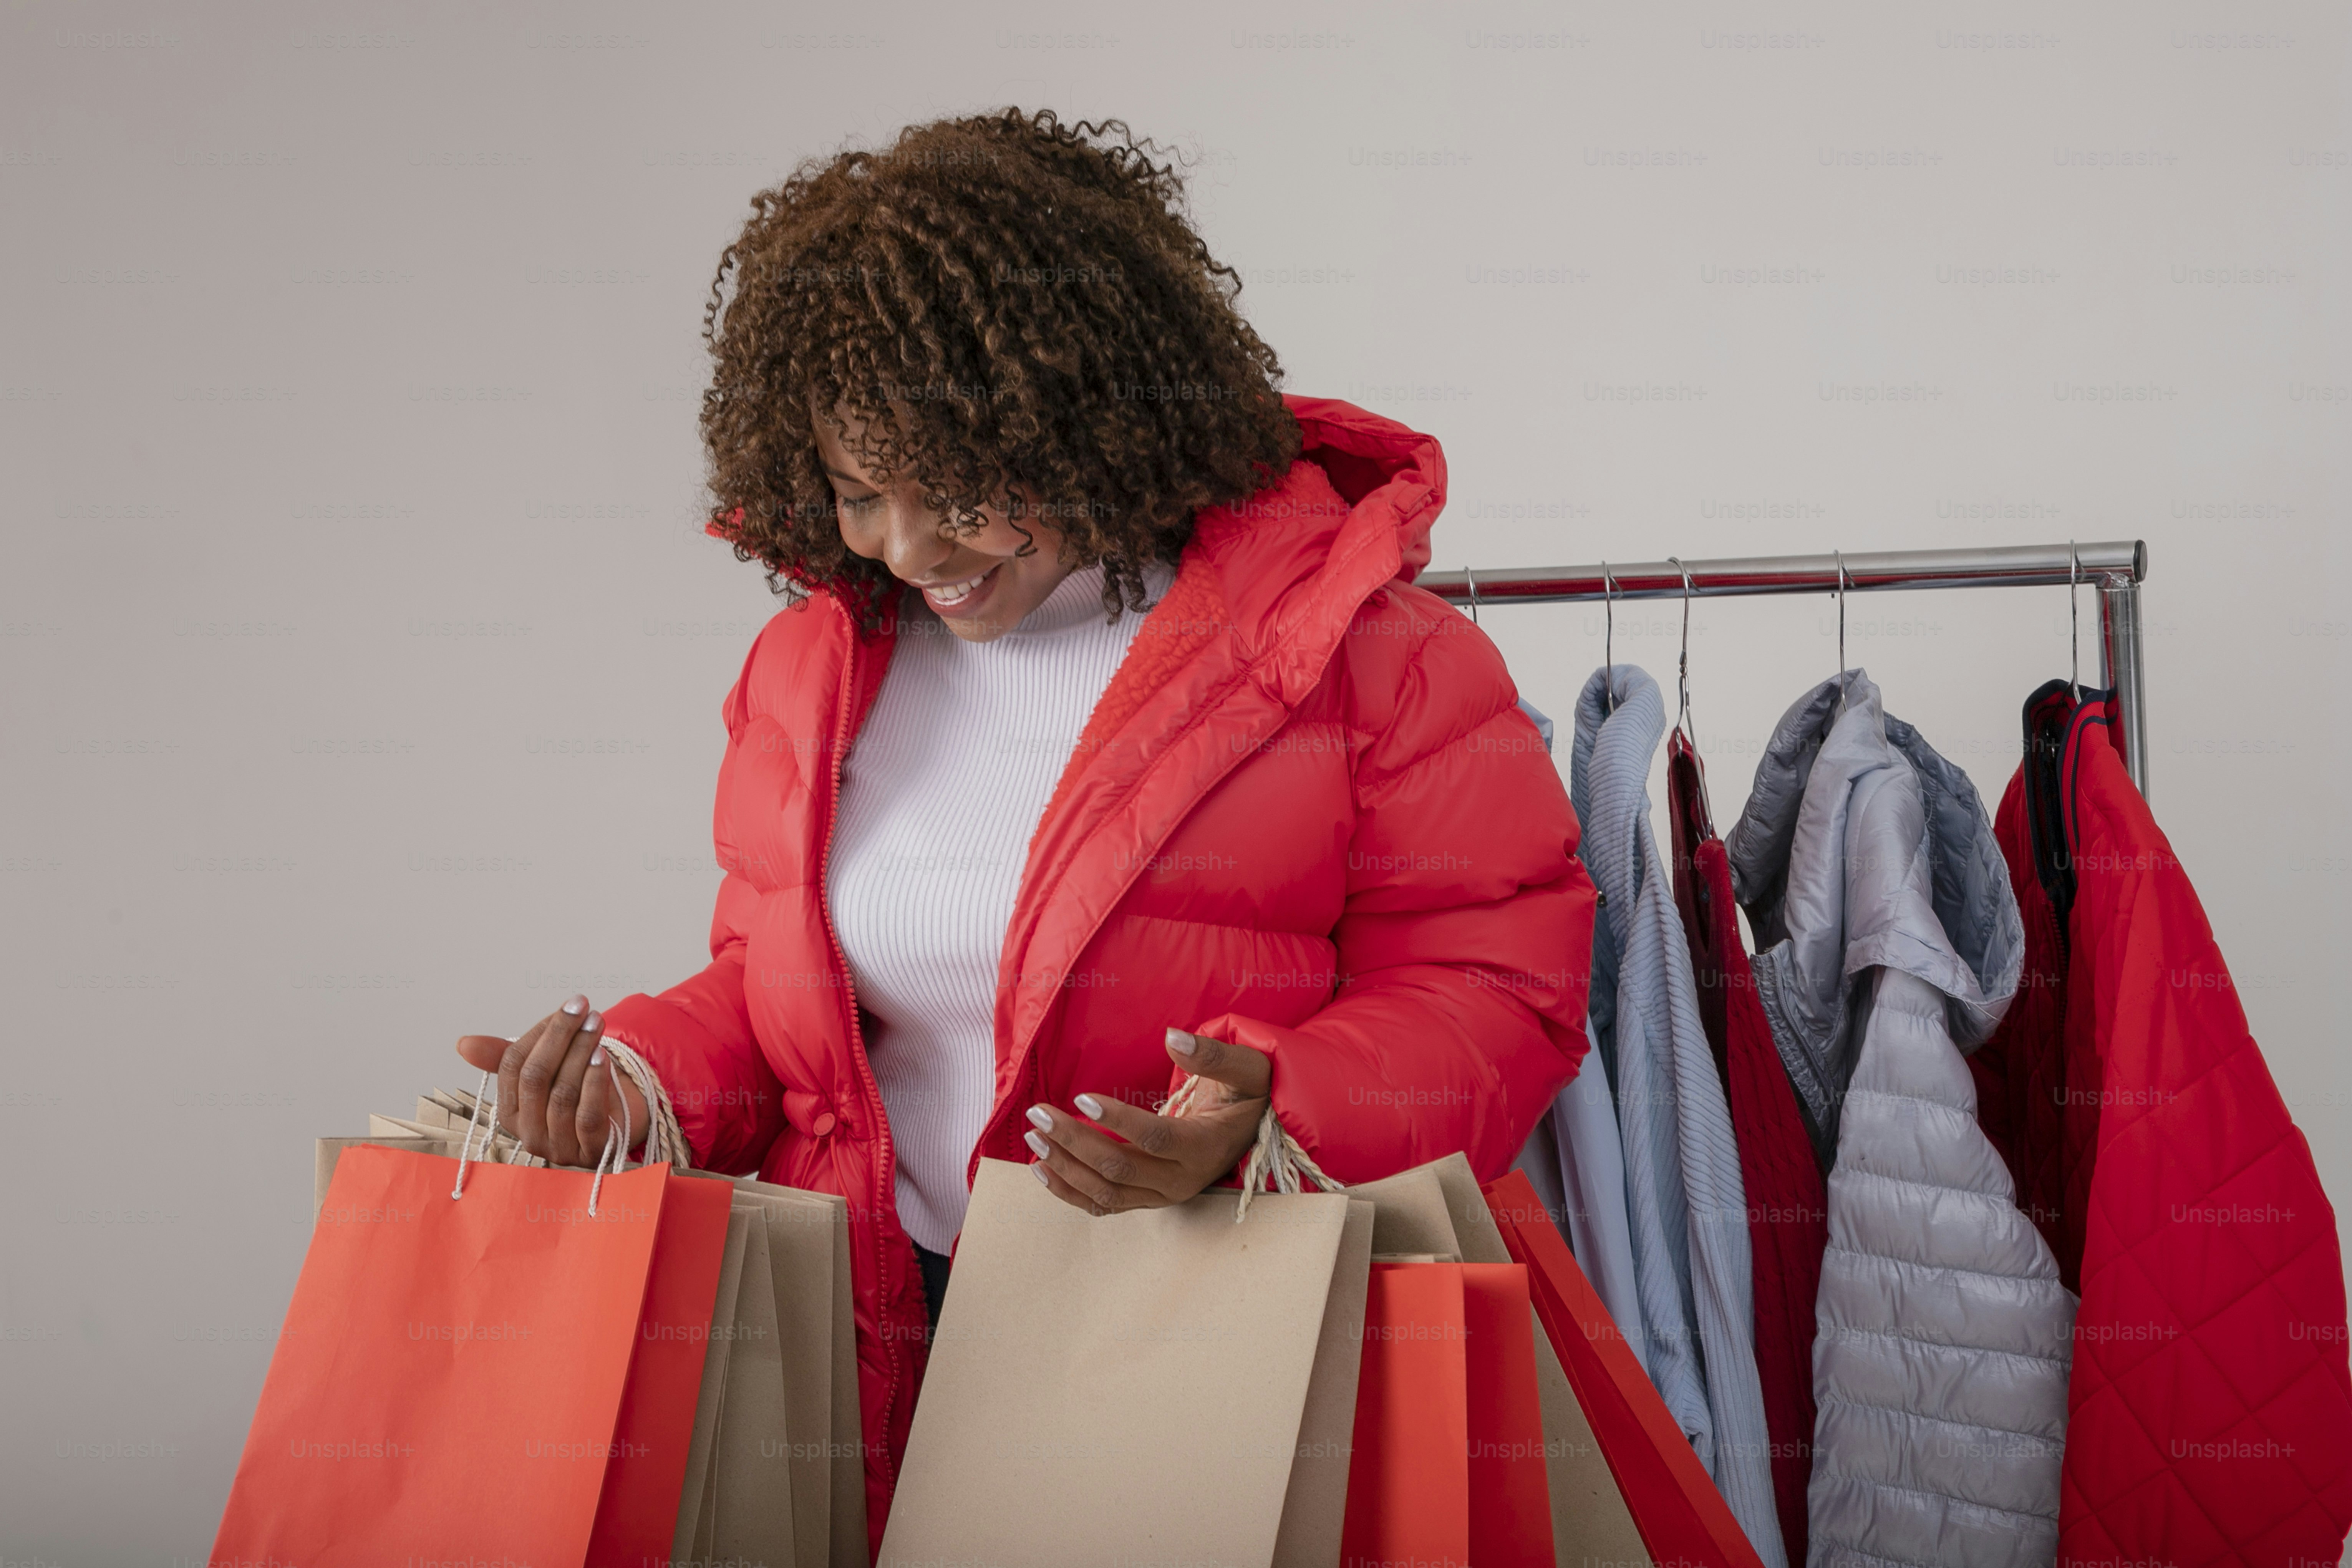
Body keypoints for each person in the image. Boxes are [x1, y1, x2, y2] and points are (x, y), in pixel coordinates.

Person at [454, 106, 1596, 1540]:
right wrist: (641, 1085)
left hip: (1224, 1338)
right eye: (865, 495)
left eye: (966, 491)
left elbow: (1507, 989)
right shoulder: (813, 672)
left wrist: (1275, 1109)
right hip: (882, 1334)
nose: (914, 550)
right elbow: (795, 1003)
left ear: (1088, 413)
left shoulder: (1377, 659)